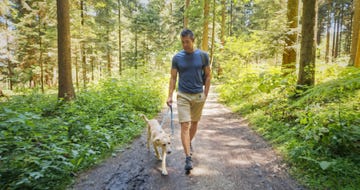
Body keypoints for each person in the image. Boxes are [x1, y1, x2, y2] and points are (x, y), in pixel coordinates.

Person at [166, 29, 211, 172]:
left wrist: (206, 93)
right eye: (182, 42)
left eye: (187, 42)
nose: (185, 45)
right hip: (183, 95)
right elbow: (173, 77)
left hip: (198, 95)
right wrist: (169, 95)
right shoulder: (177, 58)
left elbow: (208, 75)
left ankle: (188, 142)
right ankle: (187, 157)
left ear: (193, 40)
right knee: (185, 125)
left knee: (194, 123)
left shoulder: (203, 56)